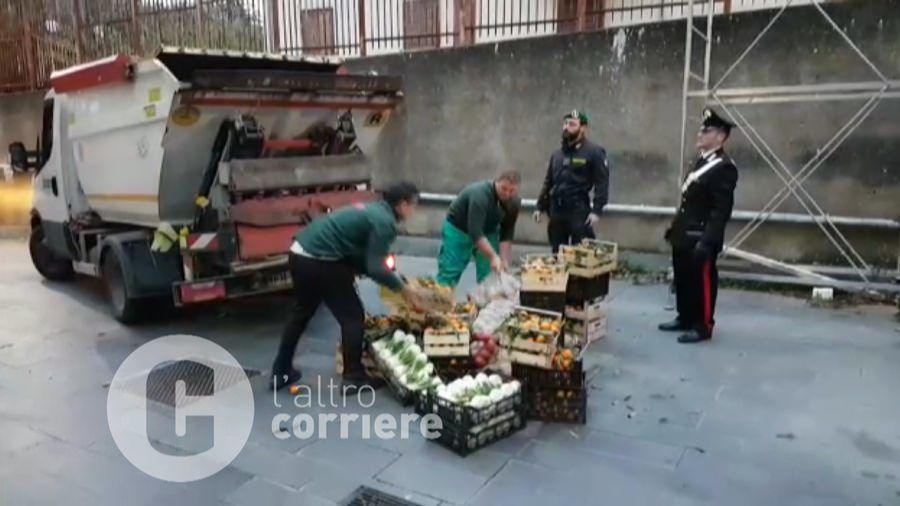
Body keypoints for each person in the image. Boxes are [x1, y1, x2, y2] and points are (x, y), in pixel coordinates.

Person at [270, 182, 425, 391]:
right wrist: (404, 290)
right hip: (322, 260)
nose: (413, 211)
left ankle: (280, 372)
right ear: (402, 204)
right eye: (413, 205)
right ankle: (353, 377)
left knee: (302, 313)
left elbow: (361, 256)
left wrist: (385, 276)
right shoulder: (385, 223)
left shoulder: (373, 210)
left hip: (299, 252)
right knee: (352, 316)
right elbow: (375, 266)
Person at [659, 107, 739, 344]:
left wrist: (708, 240)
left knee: (701, 282)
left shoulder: (724, 167)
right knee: (683, 278)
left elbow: (720, 210)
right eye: (701, 129)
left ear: (721, 136)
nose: (700, 134)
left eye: (707, 130)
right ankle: (685, 317)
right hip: (685, 233)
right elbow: (689, 201)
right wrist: (675, 227)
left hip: (701, 236)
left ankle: (703, 325)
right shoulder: (701, 161)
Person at [533, 109, 610, 253]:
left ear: (583, 128)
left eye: (572, 124)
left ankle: (579, 276)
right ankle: (561, 275)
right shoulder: (558, 155)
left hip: (578, 209)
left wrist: (596, 211)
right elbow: (549, 181)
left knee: (580, 252)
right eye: (566, 124)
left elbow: (602, 183)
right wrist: (539, 206)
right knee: (557, 251)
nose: (567, 127)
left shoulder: (594, 152)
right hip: (556, 210)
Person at [436, 170, 522, 287]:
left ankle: (487, 301)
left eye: (511, 191)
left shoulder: (514, 202)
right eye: (504, 188)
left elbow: (507, 231)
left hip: (488, 231)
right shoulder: (480, 195)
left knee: (491, 273)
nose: (507, 194)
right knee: (450, 271)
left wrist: (504, 259)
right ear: (496, 182)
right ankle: (441, 298)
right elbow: (475, 232)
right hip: (459, 230)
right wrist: (492, 256)